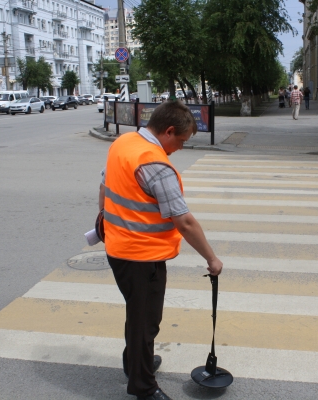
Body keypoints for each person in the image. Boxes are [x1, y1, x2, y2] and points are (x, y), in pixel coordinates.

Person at [100, 101, 223, 400]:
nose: (180, 148)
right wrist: (211, 258)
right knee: (146, 323)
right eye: (180, 141)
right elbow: (185, 221)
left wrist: (102, 219)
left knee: (137, 312)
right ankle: (143, 387)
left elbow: (104, 184)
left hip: (119, 248)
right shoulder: (154, 164)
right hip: (142, 255)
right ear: (168, 131)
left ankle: (135, 362)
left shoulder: (124, 142)